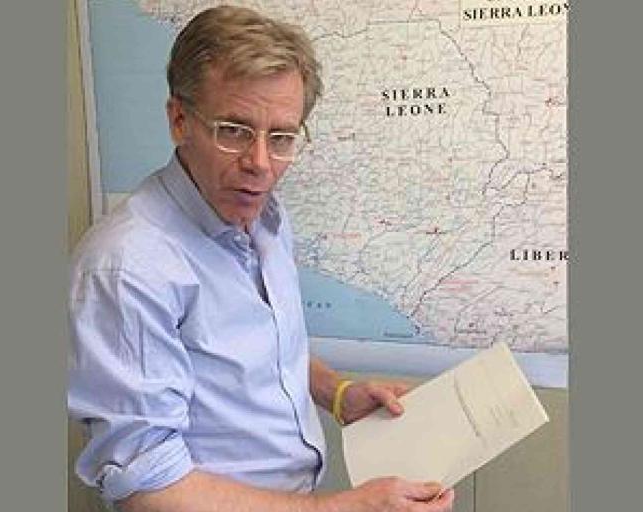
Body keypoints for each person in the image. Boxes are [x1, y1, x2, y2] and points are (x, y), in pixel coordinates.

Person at [68, 5, 455, 512]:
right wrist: (338, 509)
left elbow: (263, 347)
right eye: (233, 130)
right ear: (179, 119)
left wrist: (338, 393)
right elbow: (149, 489)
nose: (260, 164)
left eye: (282, 138)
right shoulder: (128, 268)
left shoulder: (265, 218)